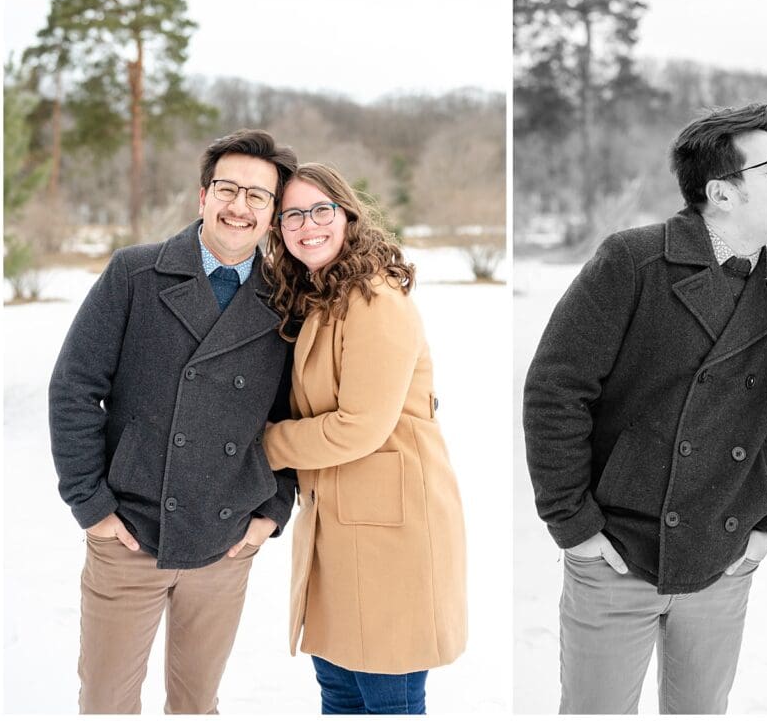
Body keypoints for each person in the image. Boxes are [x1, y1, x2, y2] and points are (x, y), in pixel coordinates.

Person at [523, 101, 767, 714]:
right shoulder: (633, 260)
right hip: (615, 554)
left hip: (722, 553)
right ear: (722, 193)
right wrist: (575, 525)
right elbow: (555, 391)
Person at [48, 129, 300, 713]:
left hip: (224, 538)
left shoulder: (287, 302)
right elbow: (74, 389)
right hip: (129, 533)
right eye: (228, 189)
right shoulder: (134, 274)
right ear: (203, 196)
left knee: (196, 704)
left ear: (272, 214)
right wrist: (91, 505)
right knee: (106, 702)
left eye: (258, 196)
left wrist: (271, 510)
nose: (240, 206)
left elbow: (291, 417)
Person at [260, 162, 467, 715]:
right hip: (338, 526)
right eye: (292, 215)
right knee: (341, 694)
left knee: (388, 697)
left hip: (391, 534)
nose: (308, 225)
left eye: (321, 210)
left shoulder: (375, 301)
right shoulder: (318, 296)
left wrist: (263, 444)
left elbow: (361, 426)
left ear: (348, 216)